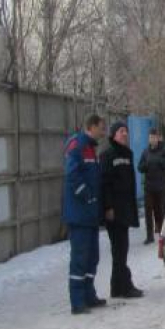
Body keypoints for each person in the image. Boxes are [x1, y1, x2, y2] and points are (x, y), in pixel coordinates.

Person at [62, 113, 108, 315]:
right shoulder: (77, 145)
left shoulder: (91, 148)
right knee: (80, 259)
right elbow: (72, 176)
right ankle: (77, 301)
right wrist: (87, 196)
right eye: (101, 128)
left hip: (90, 215)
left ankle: (89, 295)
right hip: (79, 215)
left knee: (92, 258)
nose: (103, 132)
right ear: (91, 127)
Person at [100, 121, 143, 299]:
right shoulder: (107, 154)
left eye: (126, 131)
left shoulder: (128, 153)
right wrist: (108, 207)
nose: (125, 134)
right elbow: (104, 183)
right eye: (121, 131)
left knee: (121, 249)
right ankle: (124, 286)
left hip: (125, 208)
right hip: (114, 210)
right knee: (119, 249)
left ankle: (117, 287)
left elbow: (130, 183)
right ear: (114, 135)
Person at [138, 128, 165, 244]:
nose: (152, 140)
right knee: (148, 212)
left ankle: (163, 234)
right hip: (148, 187)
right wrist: (146, 165)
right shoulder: (145, 152)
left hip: (160, 187)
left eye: (154, 137)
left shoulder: (163, 151)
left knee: (160, 211)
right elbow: (140, 167)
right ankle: (149, 236)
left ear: (158, 138)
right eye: (150, 138)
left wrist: (160, 161)